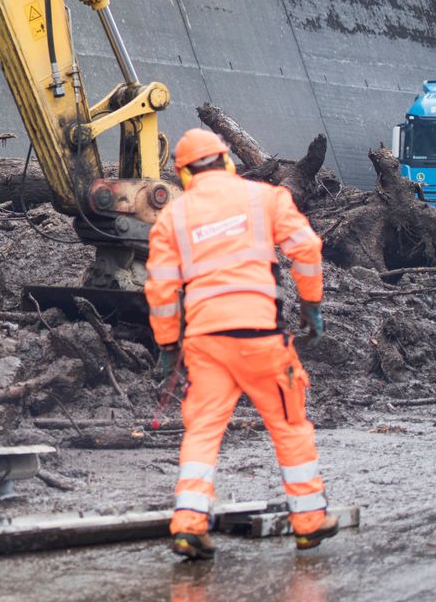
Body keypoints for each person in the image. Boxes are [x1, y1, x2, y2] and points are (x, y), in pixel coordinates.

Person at [145, 128, 338, 561]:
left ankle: (189, 524)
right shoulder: (263, 198)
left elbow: (160, 290)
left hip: (206, 345)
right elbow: (306, 248)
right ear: (228, 160)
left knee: (203, 431)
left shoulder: (172, 218)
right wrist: (311, 306)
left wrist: (168, 347)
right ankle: (308, 523)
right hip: (261, 341)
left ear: (183, 175)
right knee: (289, 425)